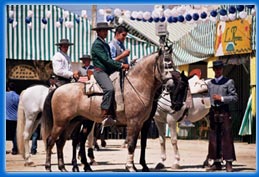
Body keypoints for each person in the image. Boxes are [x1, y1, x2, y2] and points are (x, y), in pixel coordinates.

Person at [91, 22, 129, 127]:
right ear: (98, 32)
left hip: (108, 71)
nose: (106, 32)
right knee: (109, 89)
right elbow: (107, 60)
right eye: (103, 30)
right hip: (100, 71)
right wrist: (121, 65)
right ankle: (104, 114)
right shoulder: (97, 45)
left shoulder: (105, 44)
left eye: (106, 30)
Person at [206, 60, 238, 172]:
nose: (218, 70)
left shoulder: (229, 82)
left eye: (220, 68)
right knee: (214, 138)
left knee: (227, 137)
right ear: (213, 70)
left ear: (222, 69)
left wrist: (222, 98)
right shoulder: (210, 83)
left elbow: (234, 97)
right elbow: (207, 97)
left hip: (224, 112)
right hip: (213, 112)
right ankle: (216, 162)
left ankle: (229, 162)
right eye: (216, 69)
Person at [109, 25, 130, 90]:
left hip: (122, 72)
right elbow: (110, 61)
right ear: (117, 34)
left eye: (125, 36)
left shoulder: (122, 45)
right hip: (115, 73)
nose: (124, 38)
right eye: (123, 35)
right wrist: (123, 55)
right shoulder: (111, 45)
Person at [6, 82, 20, 155]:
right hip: (15, 119)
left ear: (8, 88)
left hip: (5, 118)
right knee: (15, 135)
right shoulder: (18, 97)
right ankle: (15, 149)